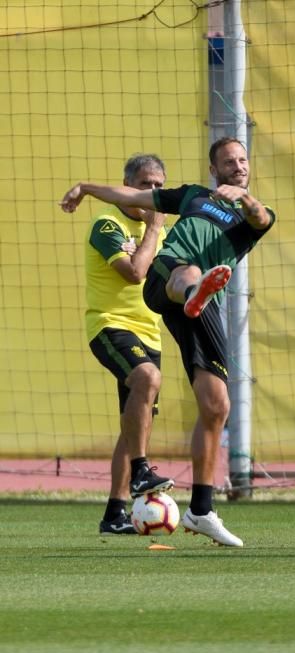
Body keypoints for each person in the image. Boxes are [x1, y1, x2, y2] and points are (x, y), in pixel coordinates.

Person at [61, 137, 276, 546]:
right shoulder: (193, 196)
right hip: (168, 279)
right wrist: (87, 187)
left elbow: (261, 218)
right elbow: (132, 194)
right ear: (213, 170)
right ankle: (193, 291)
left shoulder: (253, 216)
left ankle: (201, 509)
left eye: (242, 159)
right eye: (228, 162)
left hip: (201, 306)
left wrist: (245, 201)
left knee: (217, 405)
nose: (237, 166)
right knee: (189, 272)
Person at [81, 153, 174, 535]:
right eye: (144, 185)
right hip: (110, 326)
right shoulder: (108, 224)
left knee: (133, 428)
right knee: (147, 378)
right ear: (126, 188)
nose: (152, 192)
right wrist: (152, 230)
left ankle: (114, 515)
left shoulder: (166, 235)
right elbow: (135, 273)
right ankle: (140, 472)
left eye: (158, 186)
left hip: (150, 333)